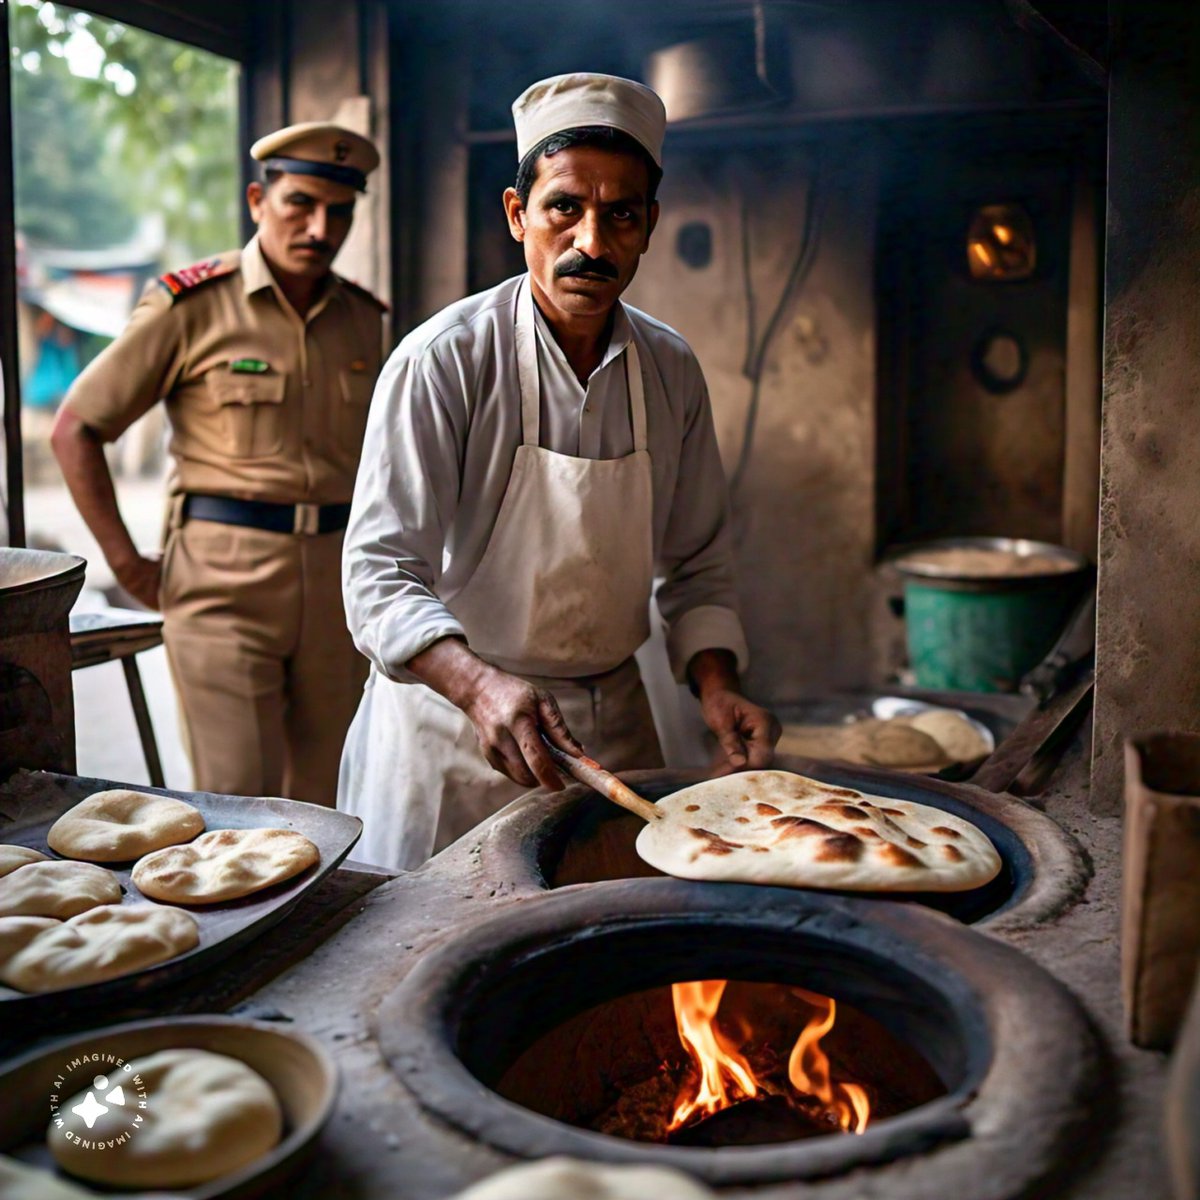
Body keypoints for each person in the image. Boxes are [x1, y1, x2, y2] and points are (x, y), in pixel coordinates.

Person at [340, 73, 780, 870]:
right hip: (457, 735)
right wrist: (478, 687)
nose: (592, 244)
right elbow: (377, 576)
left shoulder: (671, 371)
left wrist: (717, 685)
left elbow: (698, 563)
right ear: (518, 216)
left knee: (610, 964)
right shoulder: (445, 361)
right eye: (564, 208)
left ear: (649, 226)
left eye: (621, 216)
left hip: (614, 732)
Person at [51, 122, 387, 806]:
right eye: (301, 203)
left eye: (340, 211)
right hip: (223, 589)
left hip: (337, 584)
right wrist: (127, 564)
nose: (320, 227)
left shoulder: (362, 319)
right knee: (240, 804)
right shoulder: (193, 306)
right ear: (258, 201)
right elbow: (77, 428)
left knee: (331, 798)